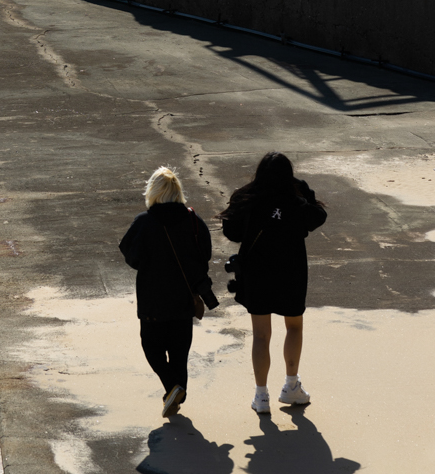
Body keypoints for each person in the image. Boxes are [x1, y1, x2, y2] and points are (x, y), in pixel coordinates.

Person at [220, 152, 327, 415]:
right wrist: (302, 193)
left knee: (261, 335)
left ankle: (261, 396)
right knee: (294, 327)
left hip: (257, 270)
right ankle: (291, 386)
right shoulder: (296, 196)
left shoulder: (248, 195)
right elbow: (318, 217)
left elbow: (231, 231)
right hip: (291, 269)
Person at [119, 166, 218, 418]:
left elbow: (131, 257)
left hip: (153, 303)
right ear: (178, 192)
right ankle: (176, 391)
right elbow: (204, 255)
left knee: (152, 349)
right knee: (179, 354)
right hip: (184, 301)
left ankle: (172, 389)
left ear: (153, 192)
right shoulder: (193, 221)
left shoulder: (144, 222)